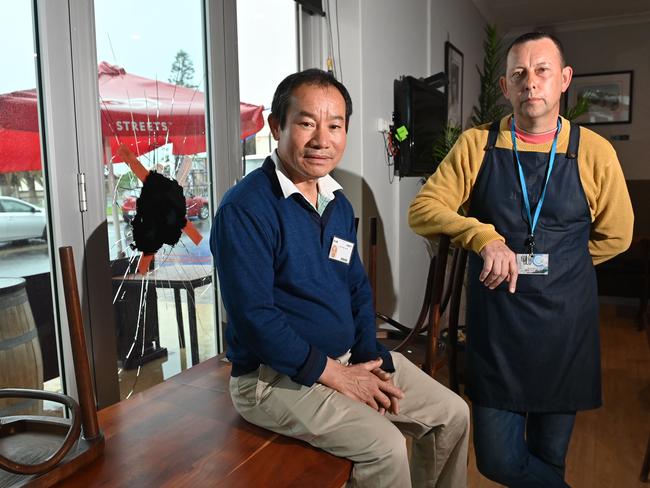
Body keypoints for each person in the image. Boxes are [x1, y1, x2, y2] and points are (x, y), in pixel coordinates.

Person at [211, 68, 469, 487]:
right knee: (385, 448)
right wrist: (338, 375)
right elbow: (255, 319)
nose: (321, 139)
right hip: (272, 380)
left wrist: (369, 354)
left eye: (335, 126)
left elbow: (356, 289)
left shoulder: (336, 201)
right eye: (306, 122)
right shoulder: (245, 209)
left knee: (452, 414)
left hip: (349, 358)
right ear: (277, 126)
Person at [409, 32, 634, 487]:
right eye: (519, 74)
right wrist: (481, 237)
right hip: (498, 331)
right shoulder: (478, 144)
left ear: (564, 79)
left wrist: (566, 264)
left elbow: (618, 235)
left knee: (550, 459)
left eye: (542, 70)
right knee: (497, 460)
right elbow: (423, 209)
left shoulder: (593, 151)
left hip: (565, 330)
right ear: (504, 87)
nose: (531, 82)